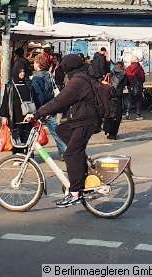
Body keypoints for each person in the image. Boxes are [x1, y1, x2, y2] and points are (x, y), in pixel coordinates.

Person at [25, 54, 101, 208]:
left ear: (68, 68)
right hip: (83, 118)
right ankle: (82, 165)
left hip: (86, 120)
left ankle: (75, 193)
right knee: (61, 130)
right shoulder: (81, 77)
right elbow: (65, 102)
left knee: (70, 154)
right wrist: (48, 112)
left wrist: (38, 114)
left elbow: (60, 100)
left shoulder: (77, 81)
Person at [30, 54, 67, 154]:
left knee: (34, 132)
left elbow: (38, 95)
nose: (33, 64)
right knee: (55, 130)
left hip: (42, 108)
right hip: (51, 105)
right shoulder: (48, 74)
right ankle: (63, 151)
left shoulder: (35, 78)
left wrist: (39, 109)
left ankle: (65, 151)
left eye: (34, 62)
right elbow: (53, 88)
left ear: (38, 64)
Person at [0, 62, 34, 153]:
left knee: (28, 137)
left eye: (24, 71)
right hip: (15, 116)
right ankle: (17, 155)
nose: (22, 73)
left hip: (27, 116)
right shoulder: (10, 85)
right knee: (16, 138)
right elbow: (5, 102)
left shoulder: (28, 84)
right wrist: (4, 116)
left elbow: (34, 98)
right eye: (20, 72)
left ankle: (28, 155)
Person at [106, 61, 127, 138]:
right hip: (119, 95)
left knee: (110, 113)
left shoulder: (111, 73)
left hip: (110, 95)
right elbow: (126, 83)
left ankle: (109, 132)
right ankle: (114, 133)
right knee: (118, 115)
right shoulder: (124, 74)